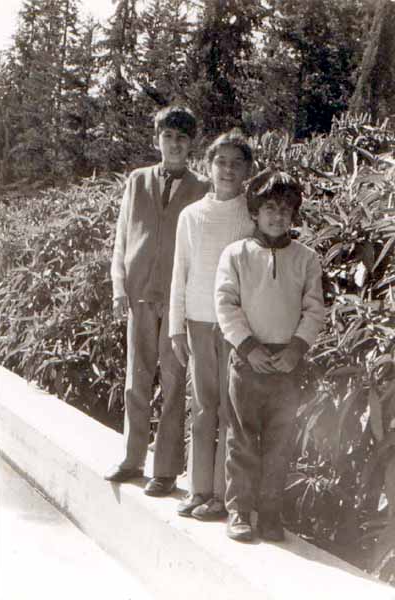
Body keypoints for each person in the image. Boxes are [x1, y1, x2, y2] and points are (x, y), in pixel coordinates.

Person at [215, 169, 325, 542]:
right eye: (270, 208)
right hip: (247, 361)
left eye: (285, 209)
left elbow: (314, 309)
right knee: (243, 441)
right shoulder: (236, 254)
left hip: (287, 364)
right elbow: (226, 304)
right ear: (255, 212)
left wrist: (296, 348)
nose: (278, 216)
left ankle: (270, 514)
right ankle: (239, 511)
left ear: (293, 214)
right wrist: (248, 347)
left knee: (280, 442)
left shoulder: (306, 258)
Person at [105, 105, 209, 497]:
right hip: (139, 296)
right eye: (168, 136)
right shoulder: (137, 180)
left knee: (174, 382)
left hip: (178, 301)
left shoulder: (202, 188)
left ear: (192, 144)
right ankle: (131, 459)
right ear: (157, 140)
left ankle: (165, 470)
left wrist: (186, 301)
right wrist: (118, 286)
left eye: (182, 138)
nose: (174, 144)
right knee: (136, 379)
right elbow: (122, 237)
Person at [169, 130, 254, 520]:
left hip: (236, 327)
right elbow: (180, 272)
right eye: (221, 162)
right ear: (208, 165)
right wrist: (176, 327)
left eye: (237, 163)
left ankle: (222, 495)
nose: (228, 170)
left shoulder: (251, 214)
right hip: (198, 322)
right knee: (202, 407)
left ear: (248, 170)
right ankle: (197, 489)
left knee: (230, 411)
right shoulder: (191, 215)